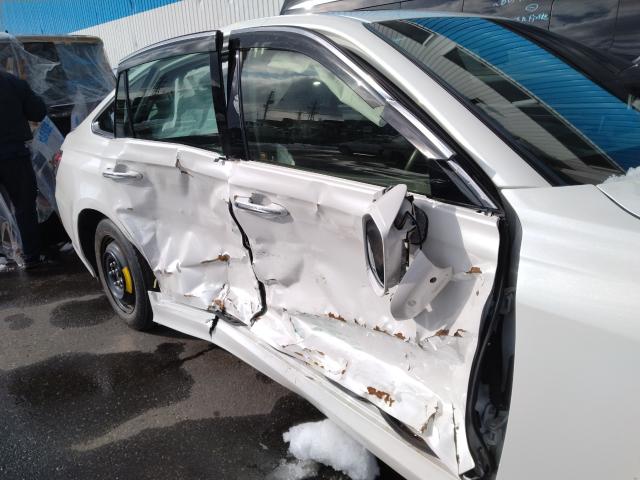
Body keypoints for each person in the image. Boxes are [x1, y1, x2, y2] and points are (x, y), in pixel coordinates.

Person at [0, 69, 47, 269]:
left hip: (13, 153)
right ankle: (31, 256)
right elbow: (38, 112)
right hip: (13, 155)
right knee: (24, 205)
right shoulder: (12, 82)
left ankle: (6, 253)